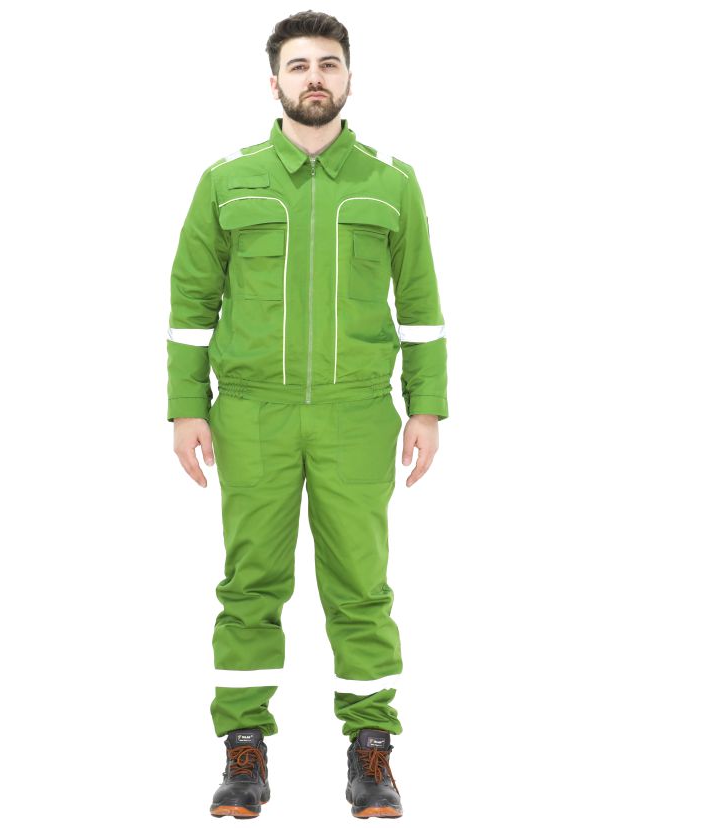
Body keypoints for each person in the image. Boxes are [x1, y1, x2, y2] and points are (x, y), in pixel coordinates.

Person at [166, 10, 448, 819]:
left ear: (349, 78)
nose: (314, 77)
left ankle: (371, 748)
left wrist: (426, 406)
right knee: (250, 582)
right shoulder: (228, 181)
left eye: (328, 64)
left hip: (358, 415)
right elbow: (192, 301)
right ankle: (244, 747)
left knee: (360, 585)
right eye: (299, 66)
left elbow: (419, 303)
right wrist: (186, 406)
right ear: (274, 83)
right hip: (251, 413)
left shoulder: (391, 183)